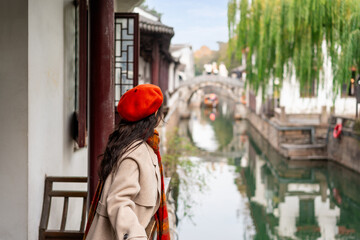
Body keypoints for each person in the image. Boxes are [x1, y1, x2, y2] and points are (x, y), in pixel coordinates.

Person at [84, 84, 170, 240]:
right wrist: (135, 236)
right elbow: (119, 200)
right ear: (155, 114)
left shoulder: (141, 145)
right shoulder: (135, 152)